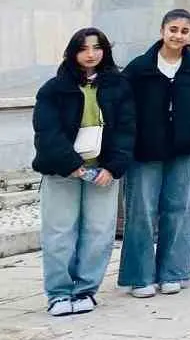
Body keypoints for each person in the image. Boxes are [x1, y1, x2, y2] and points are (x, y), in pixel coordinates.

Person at [118, 9, 190, 297]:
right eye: (172, 29)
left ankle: (173, 272)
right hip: (145, 151)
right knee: (141, 212)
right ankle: (140, 276)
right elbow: (124, 107)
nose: (177, 35)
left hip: (183, 150)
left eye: (183, 31)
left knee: (178, 210)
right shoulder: (140, 68)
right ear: (163, 30)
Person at [33, 28, 134, 314]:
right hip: (62, 171)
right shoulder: (54, 89)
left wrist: (113, 167)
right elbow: (47, 132)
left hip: (102, 172)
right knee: (59, 232)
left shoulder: (118, 85)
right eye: (84, 48)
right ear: (73, 52)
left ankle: (85, 289)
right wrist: (72, 165)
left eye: (97, 47)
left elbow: (126, 130)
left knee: (99, 232)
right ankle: (59, 293)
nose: (91, 54)